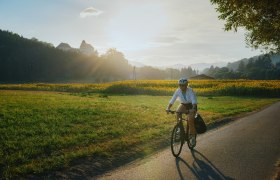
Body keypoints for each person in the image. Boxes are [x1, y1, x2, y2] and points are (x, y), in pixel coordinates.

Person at [166, 78, 198, 146]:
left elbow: (193, 100)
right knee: (178, 112)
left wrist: (193, 108)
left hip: (191, 105)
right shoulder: (178, 91)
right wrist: (168, 108)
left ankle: (192, 137)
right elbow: (172, 99)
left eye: (183, 85)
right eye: (180, 85)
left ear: (186, 85)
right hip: (183, 104)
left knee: (190, 120)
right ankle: (180, 130)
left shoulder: (190, 90)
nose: (181, 87)